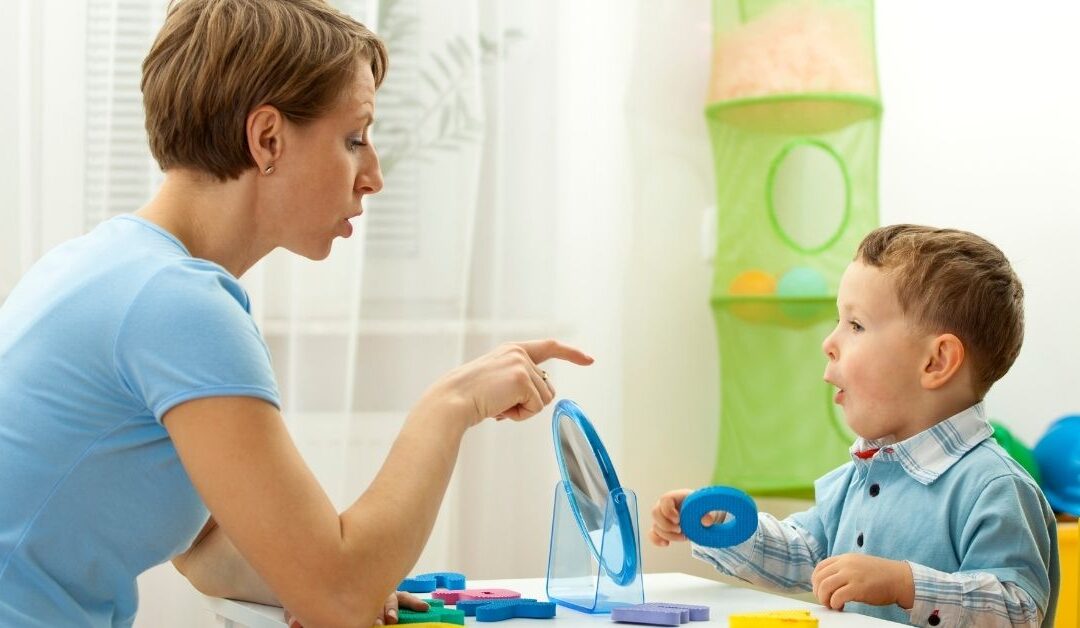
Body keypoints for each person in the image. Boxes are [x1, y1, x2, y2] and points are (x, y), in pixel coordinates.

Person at [0, 1, 592, 626]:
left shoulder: (111, 266)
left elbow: (204, 549)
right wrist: (452, 404)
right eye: (354, 138)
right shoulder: (176, 305)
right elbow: (337, 603)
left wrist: (333, 581)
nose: (375, 176)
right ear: (268, 139)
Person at [650, 225, 1059, 627]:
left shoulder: (994, 487)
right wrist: (723, 526)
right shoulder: (862, 476)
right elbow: (804, 554)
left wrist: (905, 584)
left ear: (935, 362)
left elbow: (1017, 610)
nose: (829, 342)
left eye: (856, 325)